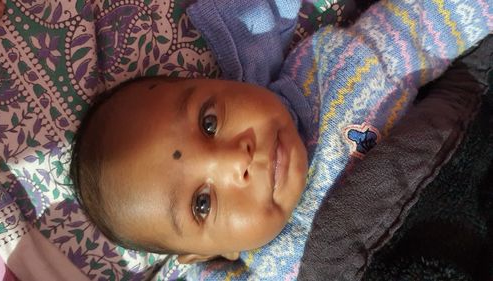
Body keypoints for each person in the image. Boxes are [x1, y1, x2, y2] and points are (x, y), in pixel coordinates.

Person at [69, 0, 491, 274]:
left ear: (221, 81)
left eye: (210, 123)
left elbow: (425, 20)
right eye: (202, 203)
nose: (236, 160)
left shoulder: (337, 71)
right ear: (215, 252)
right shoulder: (271, 268)